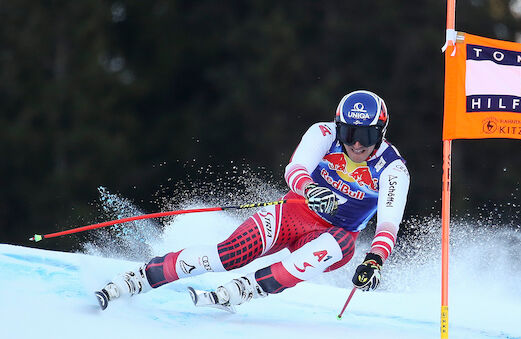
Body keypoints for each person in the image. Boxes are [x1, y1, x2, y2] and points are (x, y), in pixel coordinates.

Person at [95, 89, 410, 312]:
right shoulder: (324, 134)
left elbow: (388, 224)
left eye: (366, 135)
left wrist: (374, 260)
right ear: (339, 126)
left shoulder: (393, 169)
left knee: (335, 246)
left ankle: (246, 289)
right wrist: (311, 190)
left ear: (381, 133)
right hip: (293, 213)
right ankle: (140, 277)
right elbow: (295, 169)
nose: (356, 143)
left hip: (335, 235)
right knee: (226, 255)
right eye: (350, 131)